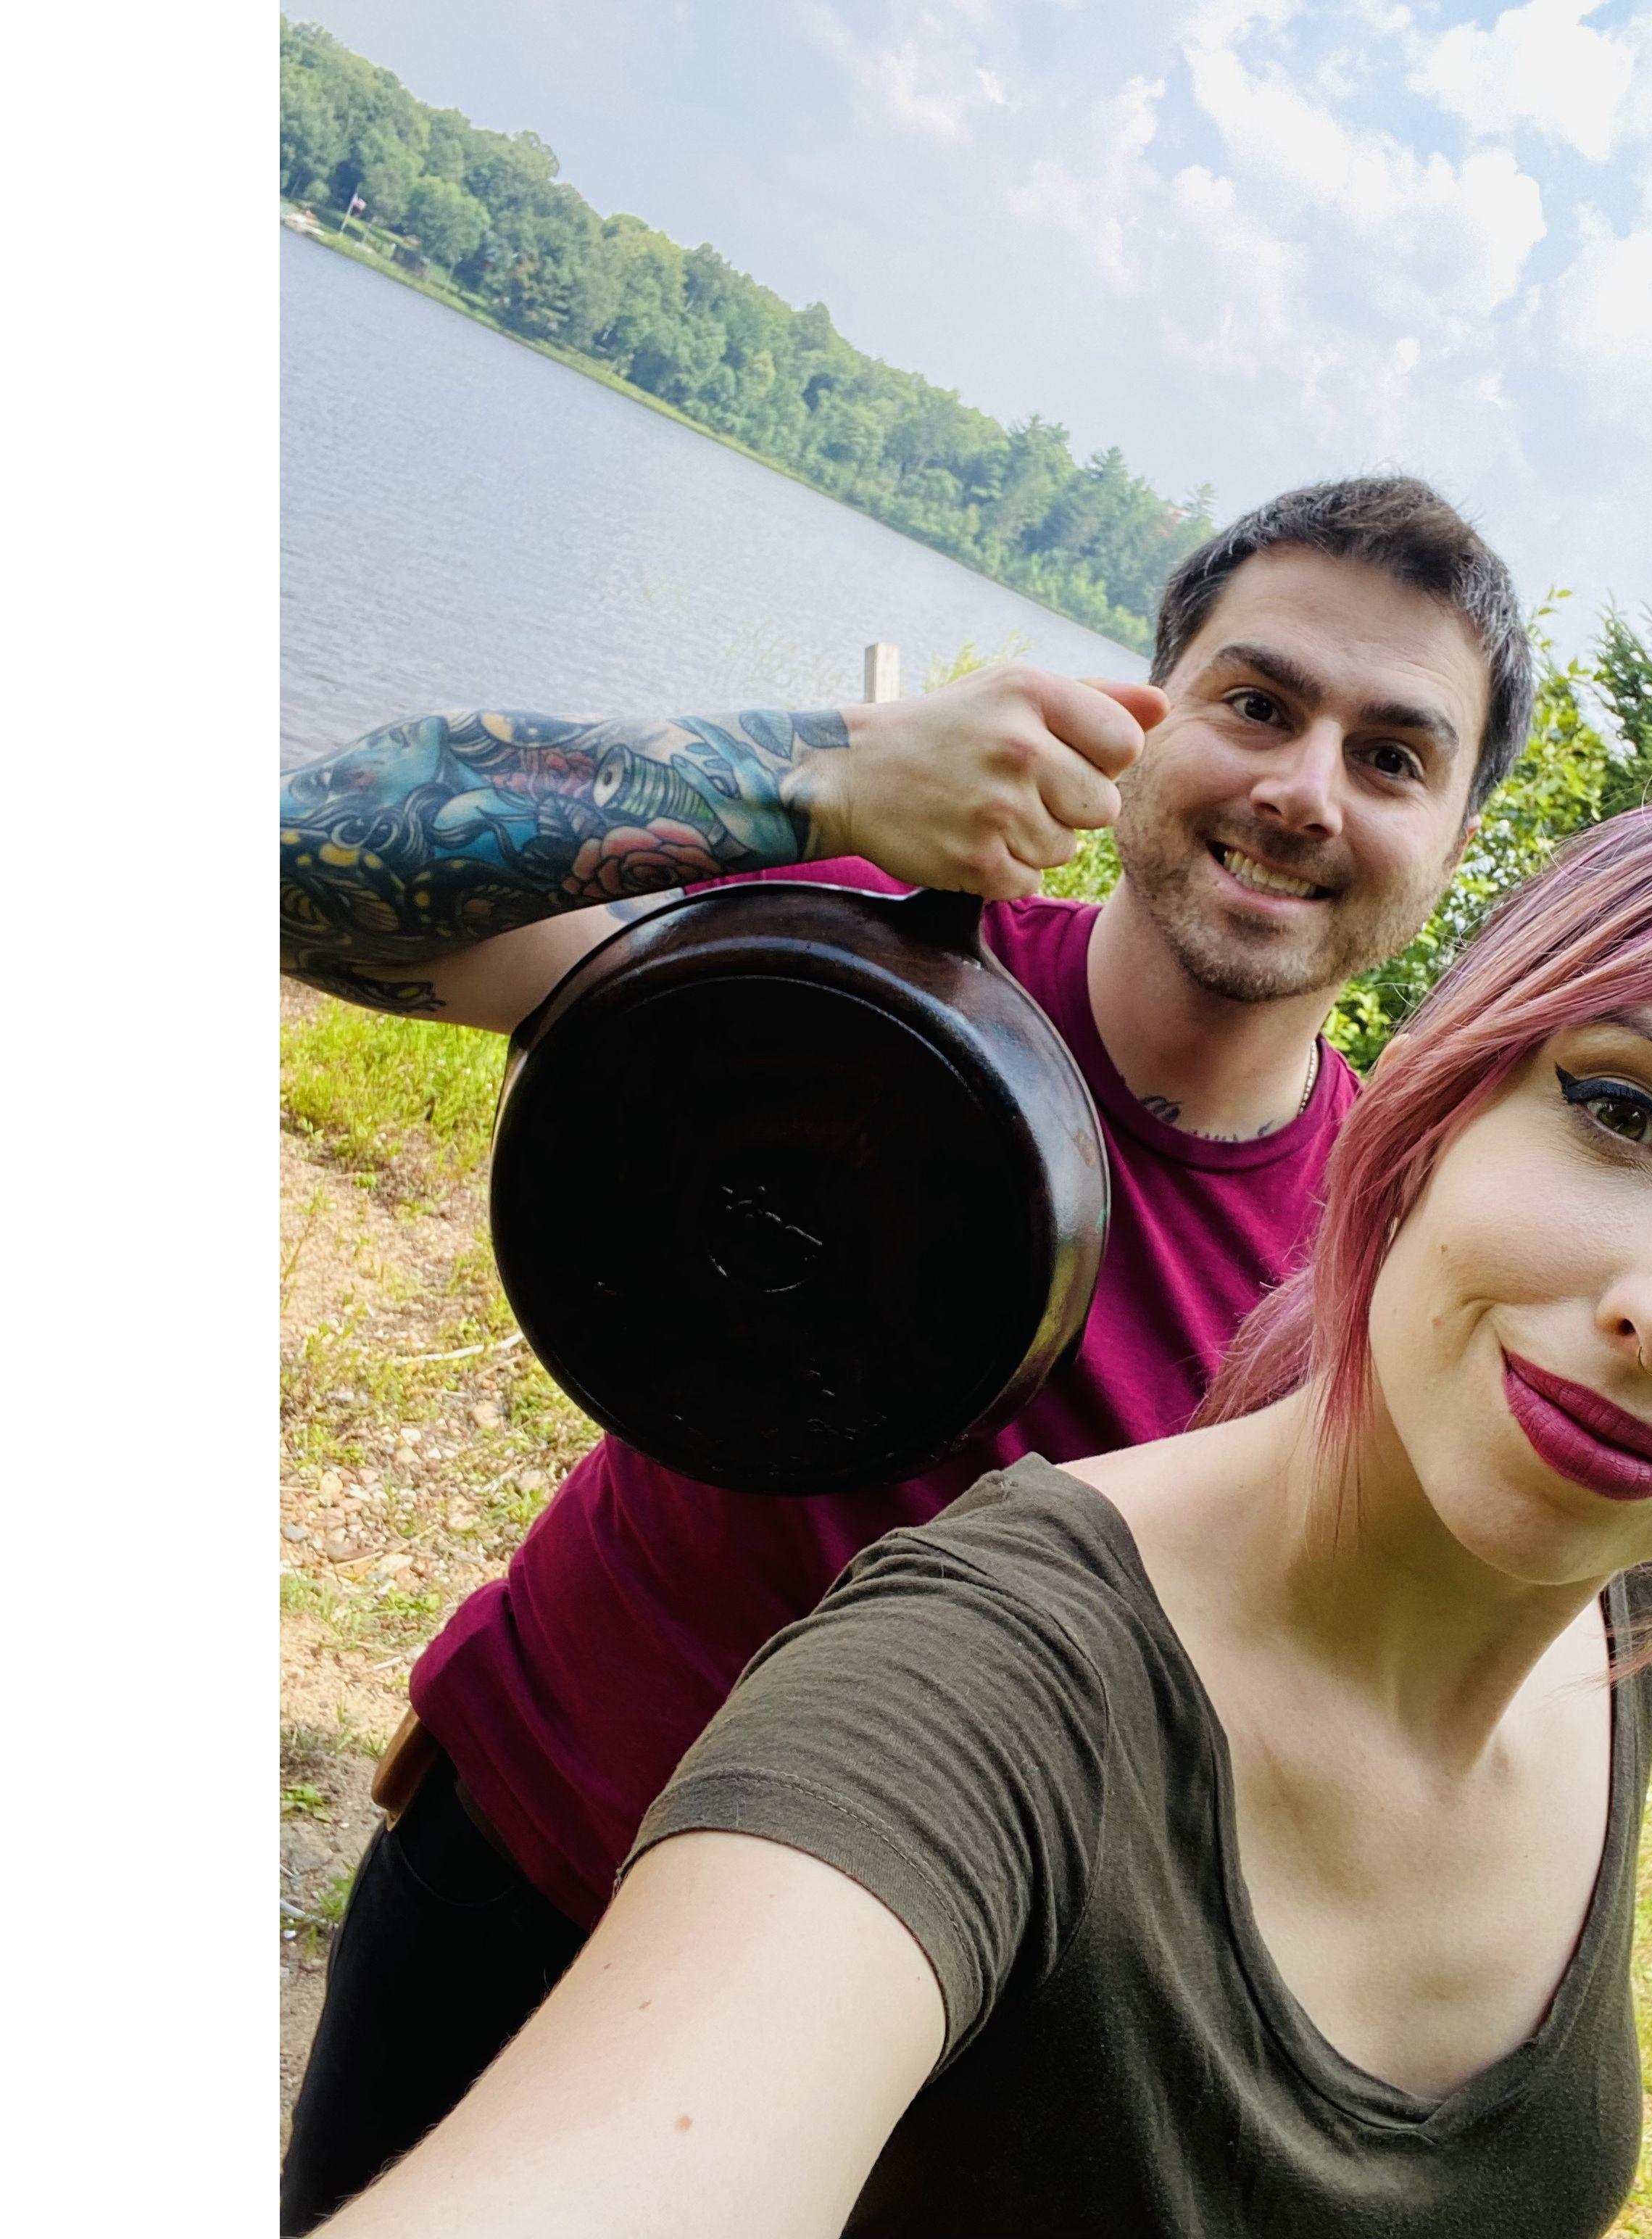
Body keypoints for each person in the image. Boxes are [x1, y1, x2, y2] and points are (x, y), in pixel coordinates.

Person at [319, 785, 1652, 2237]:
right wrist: (803, 769)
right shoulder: (989, 1668)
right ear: (1444, 1098)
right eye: (1621, 1110)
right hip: (527, 1853)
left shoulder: (1621, 1590)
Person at [278, 476, 1539, 2229]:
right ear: (1146, 709)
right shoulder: (823, 955)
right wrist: (818, 769)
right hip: (513, 1865)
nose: (1300, 787)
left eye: (1393, 755)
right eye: (1256, 701)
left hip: (867, 2080)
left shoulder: (1376, 1281)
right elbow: (300, 868)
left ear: (1456, 834)